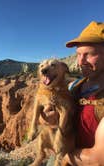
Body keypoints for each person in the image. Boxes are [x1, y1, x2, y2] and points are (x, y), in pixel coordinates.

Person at [62, 21, 104, 165]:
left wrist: (65, 157)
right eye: (78, 54)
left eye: (88, 54)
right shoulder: (74, 87)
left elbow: (98, 160)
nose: (80, 62)